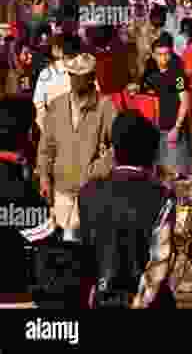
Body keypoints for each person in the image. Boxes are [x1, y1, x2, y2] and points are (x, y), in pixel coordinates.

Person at [79, 110, 176, 309]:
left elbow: (74, 252)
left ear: (114, 151)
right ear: (151, 155)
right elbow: (159, 263)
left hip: (99, 299)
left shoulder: (87, 192)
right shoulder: (162, 196)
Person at [37, 52, 117, 228]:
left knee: (84, 249)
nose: (74, 80)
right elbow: (46, 147)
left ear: (91, 78)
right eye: (71, 75)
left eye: (80, 76)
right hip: (61, 191)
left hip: (92, 193)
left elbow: (119, 147)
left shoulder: (106, 106)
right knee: (61, 248)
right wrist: (44, 177)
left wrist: (97, 169)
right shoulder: (57, 105)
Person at [144, 33, 191, 179]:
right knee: (160, 176)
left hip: (173, 130)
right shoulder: (151, 75)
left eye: (166, 54)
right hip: (156, 131)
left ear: (171, 54)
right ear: (153, 55)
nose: (163, 58)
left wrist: (177, 128)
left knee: (177, 176)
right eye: (159, 54)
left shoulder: (178, 75)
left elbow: (185, 101)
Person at [32, 33, 78, 132]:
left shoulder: (46, 74)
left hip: (55, 129)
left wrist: (46, 130)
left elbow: (38, 105)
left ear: (57, 50)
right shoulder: (84, 69)